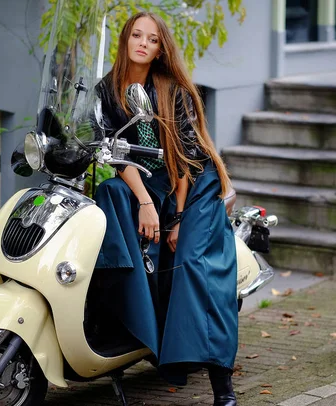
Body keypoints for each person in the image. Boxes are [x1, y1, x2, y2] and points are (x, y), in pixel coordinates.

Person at [91, 11, 238, 406]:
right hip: (147, 182)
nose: (142, 43)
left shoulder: (172, 89)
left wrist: (175, 218)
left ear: (160, 49)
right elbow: (116, 156)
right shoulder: (107, 89)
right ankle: (129, 319)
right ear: (125, 41)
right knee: (108, 193)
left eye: (152, 39)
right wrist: (143, 202)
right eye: (136, 35)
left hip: (192, 182)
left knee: (192, 265)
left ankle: (222, 384)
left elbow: (185, 160)